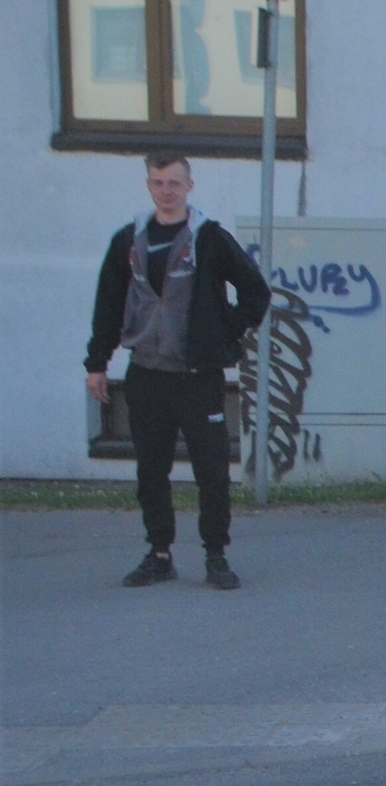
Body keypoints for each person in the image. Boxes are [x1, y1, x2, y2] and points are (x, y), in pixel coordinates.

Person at [84, 152, 271, 590]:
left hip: (197, 377)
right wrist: (97, 363)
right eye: (157, 183)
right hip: (145, 374)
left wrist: (224, 331)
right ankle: (159, 554)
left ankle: (216, 556)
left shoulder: (208, 238)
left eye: (173, 183)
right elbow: (107, 304)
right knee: (151, 471)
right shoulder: (128, 240)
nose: (165, 191)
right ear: (148, 186)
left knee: (211, 471)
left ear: (189, 186)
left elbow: (255, 290)